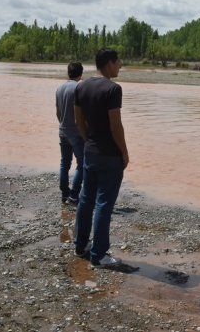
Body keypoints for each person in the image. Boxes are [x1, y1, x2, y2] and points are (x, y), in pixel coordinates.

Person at [73, 49, 129, 268]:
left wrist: (89, 141)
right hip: (109, 155)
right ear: (109, 63)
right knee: (104, 204)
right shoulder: (113, 89)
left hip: (90, 151)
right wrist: (124, 152)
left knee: (86, 200)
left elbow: (79, 122)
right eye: (118, 62)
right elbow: (116, 125)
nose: (121, 66)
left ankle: (81, 246)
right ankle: (99, 254)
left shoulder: (81, 86)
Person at [55, 61, 84, 205]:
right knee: (82, 163)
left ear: (68, 73)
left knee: (64, 163)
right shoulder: (80, 87)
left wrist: (63, 124)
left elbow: (58, 112)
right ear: (81, 73)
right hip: (76, 132)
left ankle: (64, 193)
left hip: (63, 131)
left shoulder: (59, 88)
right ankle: (74, 195)